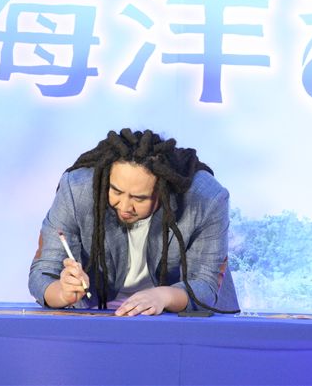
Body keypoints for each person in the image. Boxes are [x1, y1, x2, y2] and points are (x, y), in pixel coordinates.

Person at [29, 128, 239, 316]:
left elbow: (205, 284)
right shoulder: (76, 189)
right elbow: (43, 272)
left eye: (139, 198)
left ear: (165, 190)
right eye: (116, 191)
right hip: (97, 314)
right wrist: (62, 293)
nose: (124, 207)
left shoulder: (206, 199)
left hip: (179, 316)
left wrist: (163, 296)